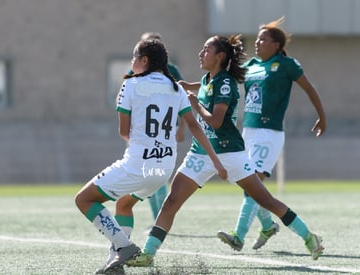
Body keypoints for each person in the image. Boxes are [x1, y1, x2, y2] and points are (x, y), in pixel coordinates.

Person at [124, 34, 324, 269]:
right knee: (171, 202)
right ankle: (148, 254)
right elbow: (208, 86)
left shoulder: (226, 82)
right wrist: (189, 86)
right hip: (200, 153)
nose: (201, 53)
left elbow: (217, 121)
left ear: (220, 56)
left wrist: (196, 105)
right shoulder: (209, 79)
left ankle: (310, 237)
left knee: (264, 199)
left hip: (230, 153)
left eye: (206, 49)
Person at [74, 39, 227, 274]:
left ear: (144, 60)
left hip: (137, 166)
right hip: (162, 170)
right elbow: (194, 127)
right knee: (124, 204)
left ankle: (123, 247)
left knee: (84, 199)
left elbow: (123, 131)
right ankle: (115, 263)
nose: (132, 63)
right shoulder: (176, 88)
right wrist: (216, 160)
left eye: (134, 58)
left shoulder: (130, 85)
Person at [217, 17, 327, 252]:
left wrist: (322, 116)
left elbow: (309, 88)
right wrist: (192, 87)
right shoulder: (251, 66)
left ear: (276, 45)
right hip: (248, 132)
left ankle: (238, 235)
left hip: (269, 134)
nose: (257, 43)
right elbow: (221, 82)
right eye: (256, 39)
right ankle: (267, 226)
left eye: (263, 39)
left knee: (252, 185)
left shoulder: (286, 65)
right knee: (252, 187)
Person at [132, 32, 186, 222]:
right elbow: (123, 99)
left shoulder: (171, 70)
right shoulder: (138, 70)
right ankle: (158, 219)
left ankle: (160, 220)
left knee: (158, 174)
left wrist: (182, 127)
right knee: (149, 175)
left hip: (164, 131)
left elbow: (183, 99)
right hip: (142, 131)